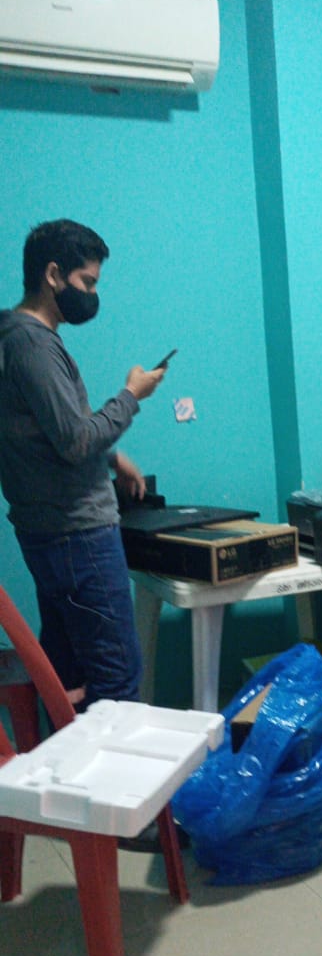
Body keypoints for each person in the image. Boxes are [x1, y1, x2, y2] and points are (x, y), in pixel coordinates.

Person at [0, 218, 166, 709]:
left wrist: (110, 456)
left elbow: (43, 430)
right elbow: (74, 441)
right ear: (53, 274)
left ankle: (73, 759)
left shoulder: (11, 338)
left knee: (70, 675)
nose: (92, 295)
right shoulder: (34, 345)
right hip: (78, 537)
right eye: (87, 282)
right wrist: (132, 395)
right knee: (117, 678)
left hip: (49, 532)